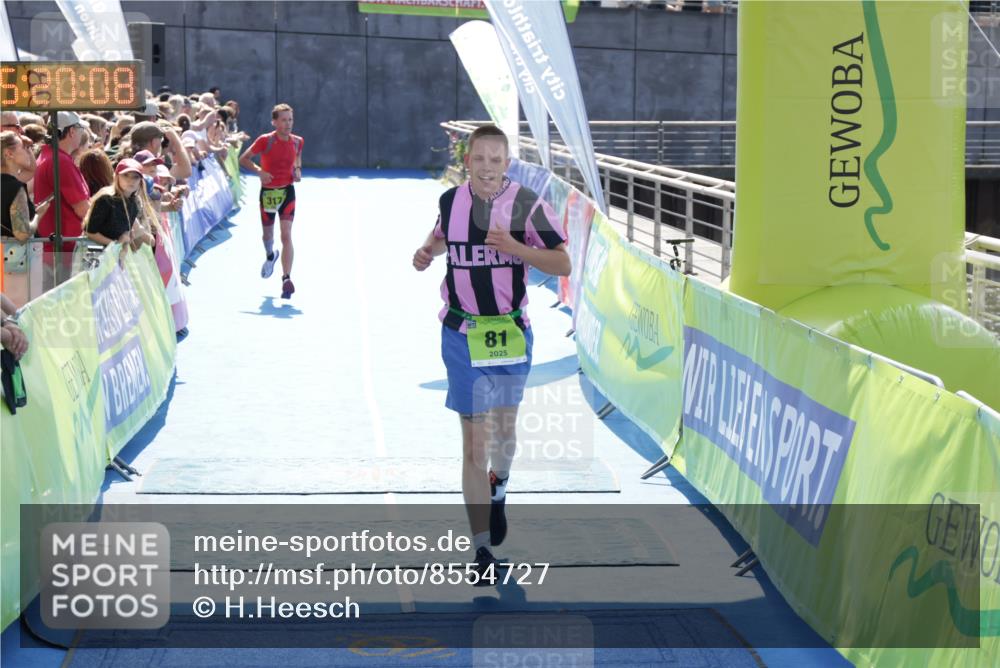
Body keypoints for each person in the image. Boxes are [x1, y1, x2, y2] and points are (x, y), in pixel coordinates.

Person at [412, 125, 571, 585]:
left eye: (496, 160)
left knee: (503, 434)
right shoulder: (451, 201)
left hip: (509, 333)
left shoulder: (525, 203)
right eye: (479, 159)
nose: (486, 167)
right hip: (461, 332)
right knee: (473, 446)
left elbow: (562, 263)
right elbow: (440, 237)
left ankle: (498, 489)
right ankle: (481, 551)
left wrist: (517, 247)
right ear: (468, 160)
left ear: (506, 163)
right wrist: (426, 252)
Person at [239, 103, 303, 299]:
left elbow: (297, 158)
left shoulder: (297, 141)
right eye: (283, 120)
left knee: (286, 235)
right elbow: (244, 159)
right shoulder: (265, 141)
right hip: (268, 193)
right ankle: (270, 255)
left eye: (290, 119)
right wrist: (259, 172)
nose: (288, 124)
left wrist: (297, 170)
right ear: (274, 122)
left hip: (287, 192)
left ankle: (286, 278)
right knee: (267, 236)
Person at [33, 112, 91, 288]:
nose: (82, 133)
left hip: (59, 250)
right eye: (81, 128)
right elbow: (83, 209)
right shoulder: (59, 161)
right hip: (64, 253)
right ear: (72, 131)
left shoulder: (51, 156)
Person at [82, 158, 157, 249]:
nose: (130, 180)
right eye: (125, 175)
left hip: (113, 254)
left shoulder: (134, 203)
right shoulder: (106, 199)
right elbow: (89, 232)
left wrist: (127, 236)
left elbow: (132, 232)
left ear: (140, 181)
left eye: (135, 177)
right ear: (117, 177)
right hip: (92, 254)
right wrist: (116, 244)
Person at [2, 131, 50, 242]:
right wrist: (39, 214)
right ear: (9, 154)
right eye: (23, 148)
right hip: (13, 256)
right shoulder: (15, 187)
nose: (28, 151)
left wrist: (27, 147)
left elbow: (31, 170)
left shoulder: (11, 182)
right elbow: (22, 234)